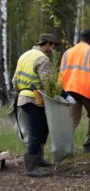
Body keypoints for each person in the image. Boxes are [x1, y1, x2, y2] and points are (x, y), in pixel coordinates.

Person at [12, 33, 59, 176]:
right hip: (35, 99)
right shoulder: (42, 59)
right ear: (46, 44)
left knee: (43, 129)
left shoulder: (24, 56)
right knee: (36, 132)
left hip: (23, 98)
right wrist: (58, 95)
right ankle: (31, 168)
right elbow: (47, 83)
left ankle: (39, 160)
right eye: (53, 46)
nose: (54, 49)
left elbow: (14, 81)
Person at [59, 29, 90, 152]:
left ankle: (64, 146)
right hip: (87, 89)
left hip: (70, 90)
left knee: (73, 119)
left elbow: (61, 72)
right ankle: (88, 145)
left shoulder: (67, 52)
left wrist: (62, 91)